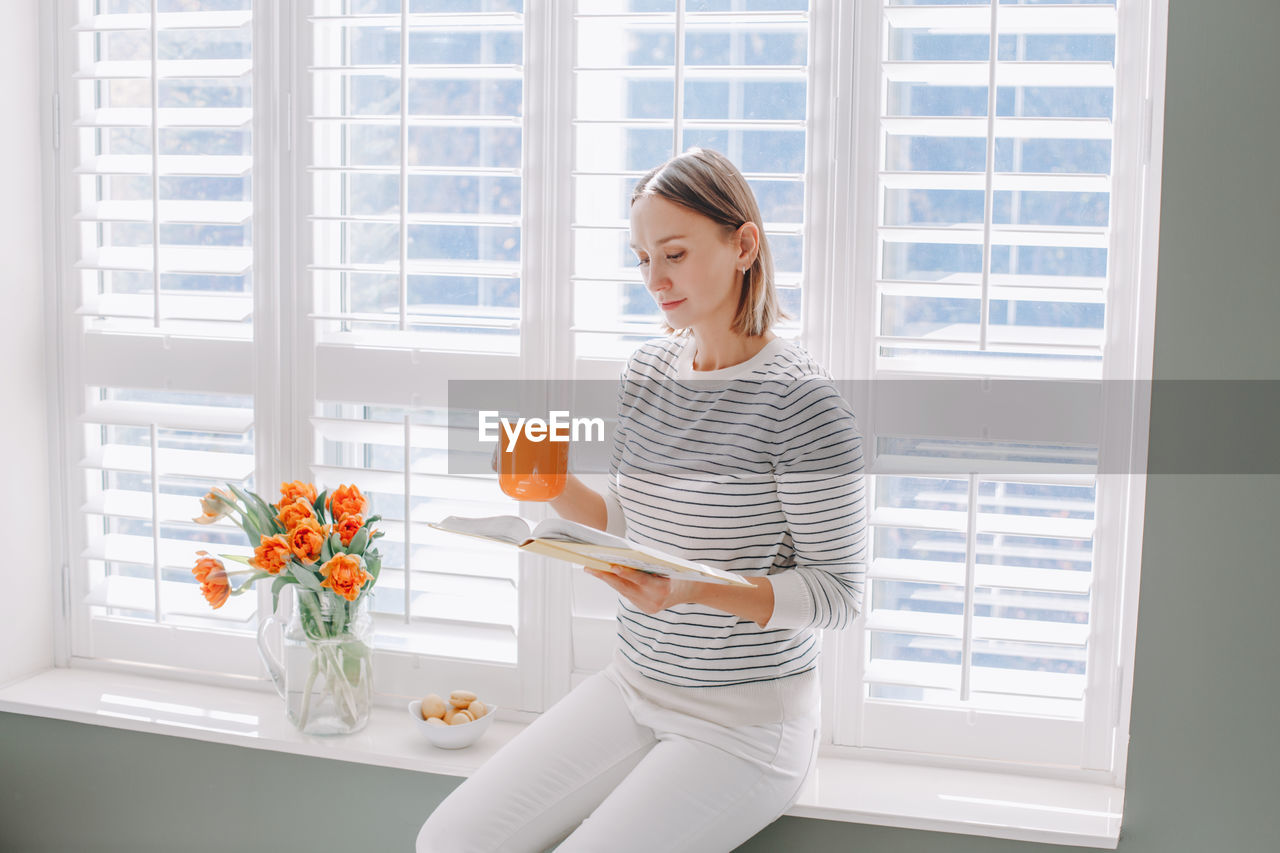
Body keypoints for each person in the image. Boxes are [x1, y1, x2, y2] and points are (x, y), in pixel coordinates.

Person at [416, 148, 866, 853]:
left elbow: (839, 593)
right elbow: (626, 523)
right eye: (642, 258)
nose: (654, 280)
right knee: (452, 841)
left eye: (676, 254)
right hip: (633, 684)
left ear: (743, 245)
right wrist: (553, 479)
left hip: (747, 726)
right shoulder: (648, 370)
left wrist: (692, 590)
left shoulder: (801, 404)